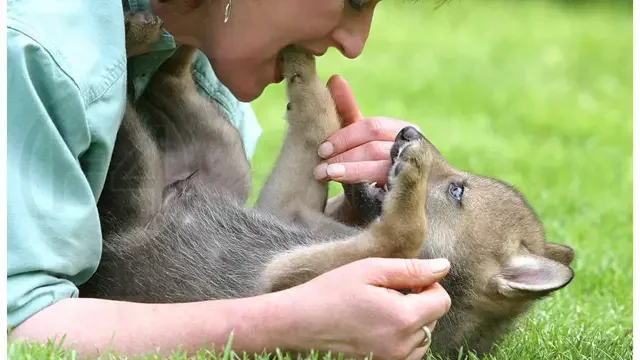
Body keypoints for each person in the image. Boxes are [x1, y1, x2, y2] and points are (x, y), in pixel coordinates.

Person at [7, 0, 452, 359]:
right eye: (353, 2)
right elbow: (19, 332)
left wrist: (356, 216)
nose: (355, 44)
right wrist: (288, 322)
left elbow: (218, 258)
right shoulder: (35, 49)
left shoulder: (203, 65)